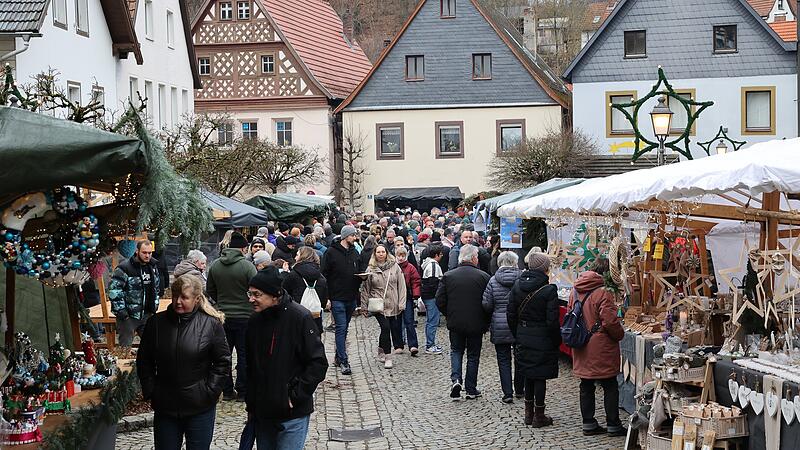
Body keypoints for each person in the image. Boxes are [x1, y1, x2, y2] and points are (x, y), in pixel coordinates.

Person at [137, 275, 231, 450]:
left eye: (184, 297)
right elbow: (144, 360)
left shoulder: (210, 324)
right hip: (166, 405)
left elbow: (222, 362)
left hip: (200, 405)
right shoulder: (156, 323)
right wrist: (151, 390)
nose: (178, 301)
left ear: (196, 299)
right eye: (175, 296)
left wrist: (210, 391)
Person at [245, 267, 327, 449]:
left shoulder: (300, 317)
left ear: (274, 295)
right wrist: (251, 403)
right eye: (249, 294)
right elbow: (250, 365)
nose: (251, 299)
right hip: (263, 412)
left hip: (292, 413)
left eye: (257, 294)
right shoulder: (254, 321)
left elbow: (318, 363)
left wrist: (295, 396)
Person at [569, 258, 625, 437]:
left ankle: (588, 423)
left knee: (586, 384)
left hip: (581, 343)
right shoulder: (603, 292)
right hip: (600, 344)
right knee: (609, 384)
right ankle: (613, 424)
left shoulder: (575, 290)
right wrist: (619, 335)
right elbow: (609, 320)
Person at [505, 250, 560, 427]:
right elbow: (552, 321)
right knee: (539, 376)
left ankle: (528, 414)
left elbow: (510, 314)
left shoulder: (517, 285)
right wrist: (555, 340)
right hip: (542, 336)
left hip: (523, 334)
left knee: (528, 373)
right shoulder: (548, 290)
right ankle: (539, 415)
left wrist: (518, 333)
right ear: (545, 268)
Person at [207, 232, 257, 401]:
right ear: (244, 248)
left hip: (222, 317)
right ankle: (242, 390)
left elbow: (210, 290)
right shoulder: (248, 266)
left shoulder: (215, 265)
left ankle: (227, 390)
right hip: (245, 316)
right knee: (244, 355)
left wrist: (220, 301)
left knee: (223, 355)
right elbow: (256, 289)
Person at [436, 245, 490, 400]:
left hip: (456, 321)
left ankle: (456, 380)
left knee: (456, 351)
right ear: (474, 258)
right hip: (476, 322)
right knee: (473, 355)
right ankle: (471, 388)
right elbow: (488, 302)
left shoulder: (448, 276)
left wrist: (449, 313)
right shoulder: (483, 276)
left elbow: (440, 300)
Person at [482, 251, 523, 404]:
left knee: (503, 359)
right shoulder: (521, 279)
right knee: (520, 357)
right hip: (518, 323)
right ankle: (520, 389)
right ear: (515, 262)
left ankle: (507, 393)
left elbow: (486, 304)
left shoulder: (493, 281)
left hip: (499, 323)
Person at [320, 225, 362, 375]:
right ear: (345, 236)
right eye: (352, 236)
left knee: (344, 328)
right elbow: (323, 275)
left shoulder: (354, 252)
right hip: (337, 297)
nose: (355, 238)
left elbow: (358, 270)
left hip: (351, 297)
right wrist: (327, 298)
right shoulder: (331, 253)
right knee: (341, 328)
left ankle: (339, 356)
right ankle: (344, 361)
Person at [107, 239, 161, 348]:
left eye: (149, 253)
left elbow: (156, 288)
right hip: (129, 316)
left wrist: (154, 306)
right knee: (125, 347)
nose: (147, 255)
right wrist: (122, 312)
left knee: (152, 346)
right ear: (137, 251)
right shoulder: (125, 267)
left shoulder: (153, 266)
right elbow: (114, 290)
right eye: (144, 252)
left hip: (147, 314)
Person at [360, 244, 406, 369]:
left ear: (386, 253)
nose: (381, 254)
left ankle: (381, 349)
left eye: (383, 252)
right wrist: (363, 306)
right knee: (385, 328)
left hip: (393, 303)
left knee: (388, 328)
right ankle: (388, 357)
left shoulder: (394, 266)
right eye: (378, 252)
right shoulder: (371, 269)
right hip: (378, 305)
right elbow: (366, 289)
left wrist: (402, 303)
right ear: (375, 254)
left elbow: (401, 285)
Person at [282, 247, 329, 333]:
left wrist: (284, 274)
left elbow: (284, 293)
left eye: (297, 255)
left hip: (295, 318)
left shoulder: (293, 275)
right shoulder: (321, 278)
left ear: (302, 257)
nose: (295, 258)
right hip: (315, 320)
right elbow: (323, 301)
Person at [395, 246, 420, 356]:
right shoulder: (393, 267)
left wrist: (416, 294)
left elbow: (416, 281)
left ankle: (413, 345)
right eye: (399, 256)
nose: (400, 258)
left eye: (402, 256)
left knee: (409, 321)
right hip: (395, 297)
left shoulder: (410, 268)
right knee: (396, 322)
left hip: (407, 297)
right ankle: (398, 345)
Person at [420, 244, 445, 355]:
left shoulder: (428, 264)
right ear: (436, 255)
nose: (442, 256)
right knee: (432, 321)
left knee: (431, 321)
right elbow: (433, 284)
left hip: (428, 296)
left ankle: (430, 344)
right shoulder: (433, 266)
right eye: (440, 254)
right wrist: (438, 296)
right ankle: (430, 345)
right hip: (431, 297)